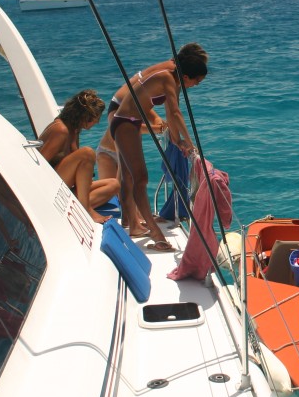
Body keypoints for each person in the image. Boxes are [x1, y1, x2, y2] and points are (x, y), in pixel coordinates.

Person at [110, 43, 208, 251]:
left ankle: (136, 226)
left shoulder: (173, 81)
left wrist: (178, 140)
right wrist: (189, 143)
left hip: (129, 123)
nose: (195, 86)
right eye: (196, 82)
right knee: (140, 178)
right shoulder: (166, 78)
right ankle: (155, 234)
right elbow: (174, 114)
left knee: (134, 177)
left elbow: (173, 117)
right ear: (188, 76)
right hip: (125, 123)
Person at [37, 89, 119, 223]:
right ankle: (86, 209)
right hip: (51, 186)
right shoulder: (60, 130)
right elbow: (40, 166)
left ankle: (79, 206)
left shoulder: (74, 130)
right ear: (85, 116)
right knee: (87, 153)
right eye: (95, 118)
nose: (97, 122)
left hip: (67, 186)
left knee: (114, 184)